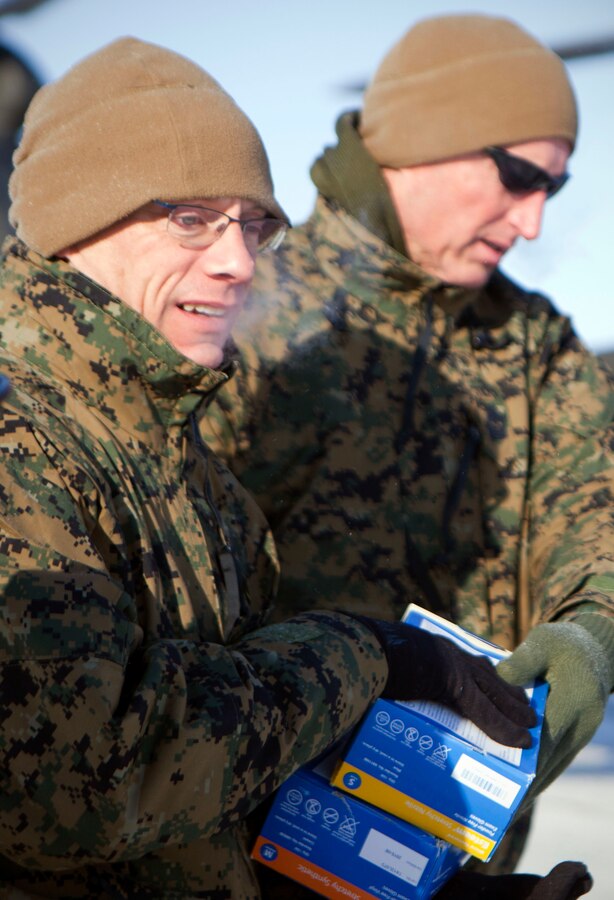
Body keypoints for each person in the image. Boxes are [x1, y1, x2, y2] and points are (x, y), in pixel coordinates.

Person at [0, 35, 552, 900]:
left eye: (254, 225)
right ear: (76, 222)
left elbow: (206, 797)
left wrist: (376, 884)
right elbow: (69, 788)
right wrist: (357, 653)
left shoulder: (192, 471)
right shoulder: (18, 443)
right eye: (190, 219)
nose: (238, 261)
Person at [204, 12, 614, 880]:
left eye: (555, 190)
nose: (533, 222)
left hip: (449, 859)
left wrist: (592, 635)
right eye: (516, 177)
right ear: (425, 142)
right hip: (228, 851)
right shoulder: (237, 307)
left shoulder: (535, 345)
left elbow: (596, 511)